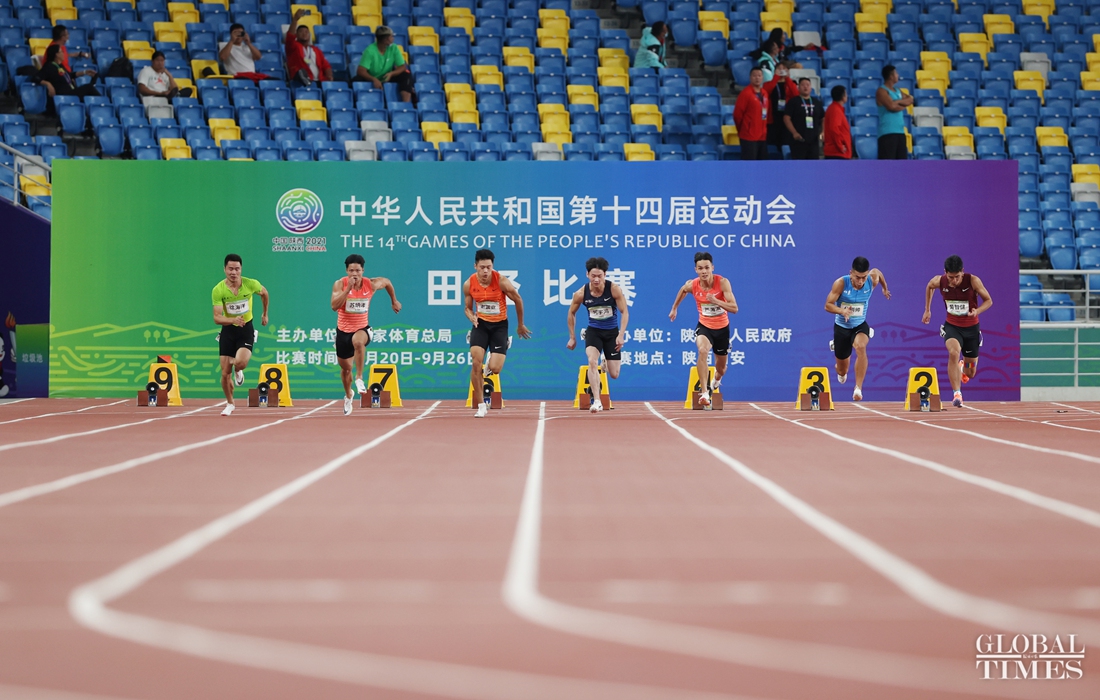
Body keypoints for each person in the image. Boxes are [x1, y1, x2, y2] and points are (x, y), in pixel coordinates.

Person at [463, 249, 532, 418]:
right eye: (482, 267)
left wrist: (520, 325)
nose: (486, 271)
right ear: (475, 266)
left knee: (495, 368)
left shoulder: (501, 281)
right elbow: (467, 308)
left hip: (500, 326)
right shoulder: (468, 284)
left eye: (489, 267)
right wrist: (471, 317)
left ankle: (502, 346)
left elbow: (518, 299)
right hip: (481, 325)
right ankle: (481, 405)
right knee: (475, 363)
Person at [330, 254, 401, 416]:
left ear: (363, 270)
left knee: (358, 343)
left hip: (362, 328)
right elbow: (334, 306)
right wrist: (348, 289)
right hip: (342, 332)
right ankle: (348, 395)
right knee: (345, 369)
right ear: (347, 271)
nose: (355, 274)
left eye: (358, 270)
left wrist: (394, 301)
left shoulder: (371, 284)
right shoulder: (340, 284)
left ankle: (360, 377)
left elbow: (388, 282)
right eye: (351, 271)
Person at [922, 255, 993, 408]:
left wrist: (977, 311)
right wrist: (927, 310)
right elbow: (929, 286)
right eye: (950, 277)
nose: (954, 281)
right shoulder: (939, 281)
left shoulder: (973, 280)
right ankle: (957, 394)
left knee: (970, 373)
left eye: (957, 277)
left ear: (962, 271)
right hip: (952, 326)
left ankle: (962, 367)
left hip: (972, 328)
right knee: (954, 352)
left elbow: (988, 300)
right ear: (945, 273)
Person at [669, 252, 738, 407]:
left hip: (722, 329)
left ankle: (716, 380)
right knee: (702, 350)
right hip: (704, 326)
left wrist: (716, 301)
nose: (704, 271)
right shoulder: (693, 284)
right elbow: (683, 290)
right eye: (700, 268)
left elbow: (734, 308)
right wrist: (674, 308)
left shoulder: (722, 283)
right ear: (696, 270)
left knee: (721, 368)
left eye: (707, 268)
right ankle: (705, 392)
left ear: (712, 267)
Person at [566, 257, 629, 414]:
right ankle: (597, 401)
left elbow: (624, 312)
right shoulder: (581, 293)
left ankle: (606, 362)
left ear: (605, 274)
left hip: (612, 333)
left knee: (614, 374)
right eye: (593, 275)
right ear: (587, 274)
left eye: (599, 276)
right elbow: (571, 313)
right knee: (591, 361)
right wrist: (572, 337)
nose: (596, 279)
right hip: (593, 332)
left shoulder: (613, 289)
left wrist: (621, 334)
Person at [824, 257, 890, 402]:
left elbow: (877, 272)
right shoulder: (841, 283)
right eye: (857, 277)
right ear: (851, 273)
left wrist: (885, 288)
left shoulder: (871, 280)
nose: (860, 281)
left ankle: (858, 388)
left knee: (860, 346)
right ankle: (838, 352)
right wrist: (842, 311)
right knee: (842, 370)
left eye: (863, 277)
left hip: (860, 325)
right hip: (842, 327)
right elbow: (828, 305)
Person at [212, 254, 269, 417]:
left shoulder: (250, 284)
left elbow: (264, 293)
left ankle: (239, 370)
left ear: (241, 269)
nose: (233, 272)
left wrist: (265, 314)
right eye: (230, 269)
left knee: (241, 363)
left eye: (237, 269)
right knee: (224, 373)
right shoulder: (218, 290)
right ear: (224, 269)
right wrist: (232, 319)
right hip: (228, 331)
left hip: (246, 329)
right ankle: (230, 403)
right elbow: (216, 317)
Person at [357, 26, 416, 103]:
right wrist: (374, 79)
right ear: (386, 40)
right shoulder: (370, 51)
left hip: (387, 76)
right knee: (357, 79)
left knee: (406, 75)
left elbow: (402, 67)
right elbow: (360, 71)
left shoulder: (394, 48)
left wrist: (392, 73)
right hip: (372, 78)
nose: (393, 38)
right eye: (391, 36)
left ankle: (405, 104)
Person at [286, 8, 332, 86]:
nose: (304, 34)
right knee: (301, 72)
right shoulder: (294, 46)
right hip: (299, 81)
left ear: (309, 35)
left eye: (306, 32)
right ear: (296, 35)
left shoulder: (316, 50)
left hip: (318, 81)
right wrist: (295, 20)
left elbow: (326, 65)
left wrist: (329, 76)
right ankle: (306, 82)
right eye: (301, 32)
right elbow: (290, 37)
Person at [876, 64, 912, 160]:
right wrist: (901, 104)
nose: (898, 75)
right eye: (896, 73)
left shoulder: (897, 90)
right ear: (891, 76)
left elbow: (910, 100)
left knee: (901, 165)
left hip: (900, 132)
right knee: (887, 166)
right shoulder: (881, 91)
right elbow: (891, 106)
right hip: (887, 133)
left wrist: (897, 102)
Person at [783, 76, 824, 159]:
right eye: (803, 85)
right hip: (798, 140)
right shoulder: (793, 101)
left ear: (810, 87)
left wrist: (823, 131)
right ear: (798, 87)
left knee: (813, 165)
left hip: (813, 140)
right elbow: (786, 118)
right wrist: (794, 132)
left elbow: (823, 118)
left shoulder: (817, 102)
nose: (805, 87)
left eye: (807, 85)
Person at [733, 67, 769, 160]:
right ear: (750, 77)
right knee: (749, 164)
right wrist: (743, 129)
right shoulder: (745, 93)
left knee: (762, 165)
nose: (757, 78)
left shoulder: (764, 93)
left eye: (759, 75)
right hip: (748, 136)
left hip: (762, 135)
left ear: (762, 78)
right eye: (754, 76)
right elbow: (737, 115)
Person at [762, 61, 798, 151]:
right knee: (772, 144)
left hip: (787, 118)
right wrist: (776, 78)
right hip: (773, 118)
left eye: (784, 69)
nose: (782, 71)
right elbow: (766, 92)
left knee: (785, 143)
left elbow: (796, 95)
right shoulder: (769, 84)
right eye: (779, 69)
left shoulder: (791, 83)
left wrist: (787, 78)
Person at [823, 85, 852, 159]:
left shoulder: (833, 108)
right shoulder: (836, 110)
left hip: (836, 152)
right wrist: (840, 146)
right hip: (837, 153)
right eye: (846, 94)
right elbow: (834, 128)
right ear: (843, 97)